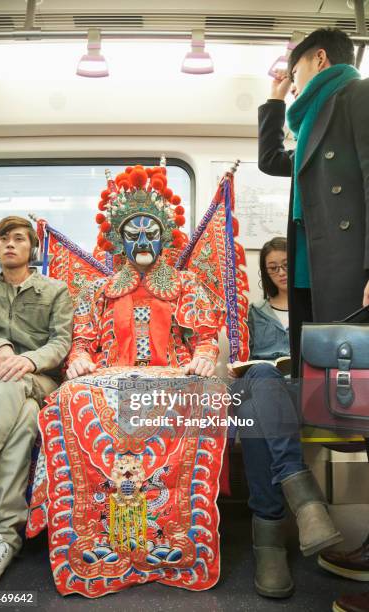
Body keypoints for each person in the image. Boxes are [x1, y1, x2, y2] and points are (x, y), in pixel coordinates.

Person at [25, 162, 227, 598]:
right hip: (108, 380)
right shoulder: (98, 290)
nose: (141, 239)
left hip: (172, 377)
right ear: (118, 236)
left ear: (163, 235)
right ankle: (96, 539)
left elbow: (206, 339)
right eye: (132, 231)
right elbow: (81, 342)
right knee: (67, 398)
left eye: (149, 230)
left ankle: (174, 534)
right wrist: (78, 358)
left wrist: (205, 357)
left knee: (208, 396)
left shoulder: (185, 285)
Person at [258, 27, 369, 612]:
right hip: (318, 286)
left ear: (318, 59)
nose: (292, 78)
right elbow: (272, 160)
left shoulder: (357, 95)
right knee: (353, 420)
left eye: (293, 70)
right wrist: (275, 100)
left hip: (353, 280)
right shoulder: (308, 123)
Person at [0, 216, 73, 593]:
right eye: (3, 239)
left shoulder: (56, 290)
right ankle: (4, 538)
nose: (10, 244)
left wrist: (28, 360)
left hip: (39, 379)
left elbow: (61, 344)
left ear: (32, 250)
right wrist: (1, 347)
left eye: (19, 239)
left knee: (17, 391)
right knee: (23, 416)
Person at [228, 236, 341, 599]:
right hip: (266, 389)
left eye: (284, 266)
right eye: (271, 267)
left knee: (255, 408)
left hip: (305, 389)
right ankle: (305, 501)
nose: (278, 272)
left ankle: (270, 540)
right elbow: (243, 358)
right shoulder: (254, 312)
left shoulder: (312, 307)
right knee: (258, 385)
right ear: (264, 272)